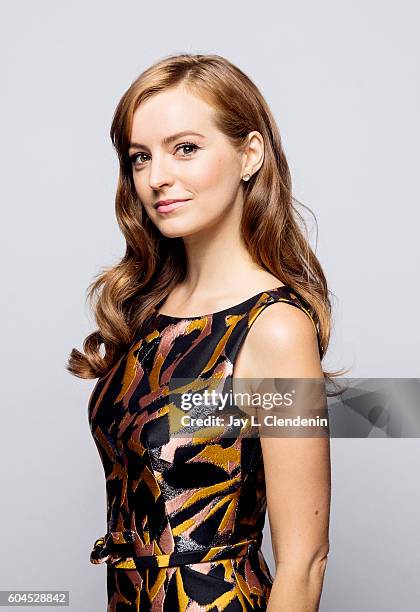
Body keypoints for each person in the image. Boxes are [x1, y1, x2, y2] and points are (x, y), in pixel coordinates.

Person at [68, 53, 340, 611]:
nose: (156, 178)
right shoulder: (143, 313)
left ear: (249, 154)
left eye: (185, 148)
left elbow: (305, 563)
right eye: (140, 158)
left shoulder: (276, 328)